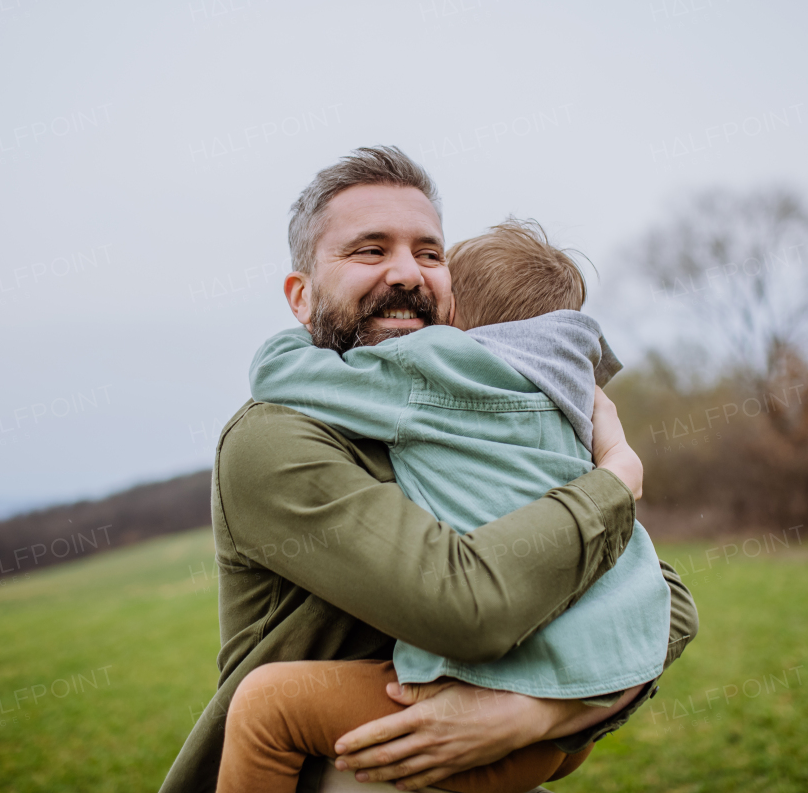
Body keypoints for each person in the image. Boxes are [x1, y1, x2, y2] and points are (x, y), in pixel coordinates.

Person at [158, 147, 697, 793]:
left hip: (457, 766)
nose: (408, 273)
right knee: (269, 703)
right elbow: (462, 605)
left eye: (431, 253)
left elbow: (666, 601)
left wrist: (530, 712)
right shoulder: (275, 439)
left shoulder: (478, 421)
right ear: (300, 298)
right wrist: (615, 479)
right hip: (330, 770)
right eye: (369, 250)